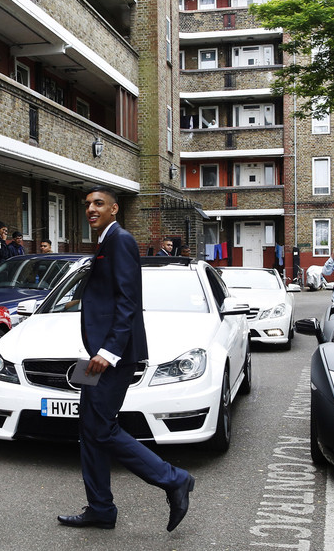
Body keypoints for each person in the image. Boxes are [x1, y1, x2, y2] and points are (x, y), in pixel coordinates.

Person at [58, 186, 194, 532]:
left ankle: (174, 479)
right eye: (88, 204)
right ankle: (100, 508)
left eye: (99, 203)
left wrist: (108, 351)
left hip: (112, 356)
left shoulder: (120, 240)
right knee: (89, 428)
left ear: (114, 209)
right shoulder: (104, 242)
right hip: (96, 354)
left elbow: (128, 300)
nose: (91, 209)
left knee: (101, 428)